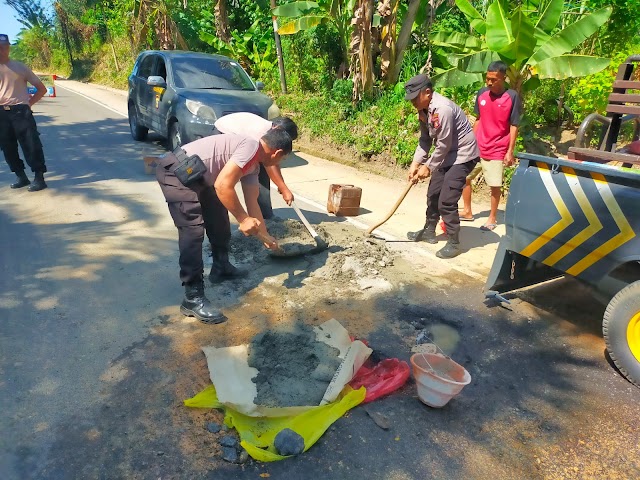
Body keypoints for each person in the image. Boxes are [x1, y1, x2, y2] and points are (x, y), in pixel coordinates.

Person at [156, 129, 292, 324]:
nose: (279, 163)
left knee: (219, 217)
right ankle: (192, 298)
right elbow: (223, 186)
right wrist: (244, 220)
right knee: (193, 230)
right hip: (177, 171)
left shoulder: (254, 165)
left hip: (198, 174)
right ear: (277, 153)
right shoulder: (250, 147)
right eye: (283, 159)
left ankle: (221, 267)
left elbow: (252, 203)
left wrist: (265, 237)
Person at [404, 73, 480, 259]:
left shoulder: (442, 109)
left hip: (462, 155)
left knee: (446, 199)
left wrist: (428, 167)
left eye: (415, 98)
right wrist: (416, 163)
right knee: (433, 192)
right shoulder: (423, 110)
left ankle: (454, 242)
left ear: (427, 92)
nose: (412, 102)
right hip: (446, 155)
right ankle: (429, 230)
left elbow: (443, 144)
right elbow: (425, 140)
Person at [461, 61, 522, 230]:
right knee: (465, 177)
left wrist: (510, 151)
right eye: (487, 78)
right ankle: (467, 211)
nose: (489, 82)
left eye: (493, 79)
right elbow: (478, 119)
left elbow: (514, 125)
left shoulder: (512, 96)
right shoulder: (481, 93)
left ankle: (492, 218)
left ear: (503, 78)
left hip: (497, 149)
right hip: (478, 146)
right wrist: (469, 142)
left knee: (494, 186)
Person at [213, 112, 298, 218]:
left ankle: (264, 215)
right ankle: (222, 221)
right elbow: (271, 164)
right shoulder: (261, 134)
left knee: (260, 169)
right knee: (224, 179)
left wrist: (281, 185)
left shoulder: (270, 133)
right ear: (279, 130)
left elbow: (273, 161)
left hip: (240, 135)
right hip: (222, 132)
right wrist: (284, 188)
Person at [0, 33, 49, 191]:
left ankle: (39, 177)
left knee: (31, 144)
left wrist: (28, 104)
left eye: (5, 47)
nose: (2, 50)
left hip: (20, 112)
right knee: (7, 147)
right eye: (0, 47)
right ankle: (21, 176)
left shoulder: (20, 67)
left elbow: (41, 89)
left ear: (9, 48)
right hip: (1, 114)